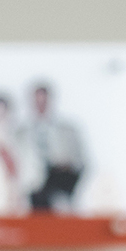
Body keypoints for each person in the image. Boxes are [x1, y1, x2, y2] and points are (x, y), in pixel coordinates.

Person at [25, 81, 88, 212]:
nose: (41, 106)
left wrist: (67, 165)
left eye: (44, 102)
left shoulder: (68, 130)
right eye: (37, 102)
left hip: (60, 184)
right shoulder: (21, 132)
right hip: (33, 187)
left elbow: (81, 161)